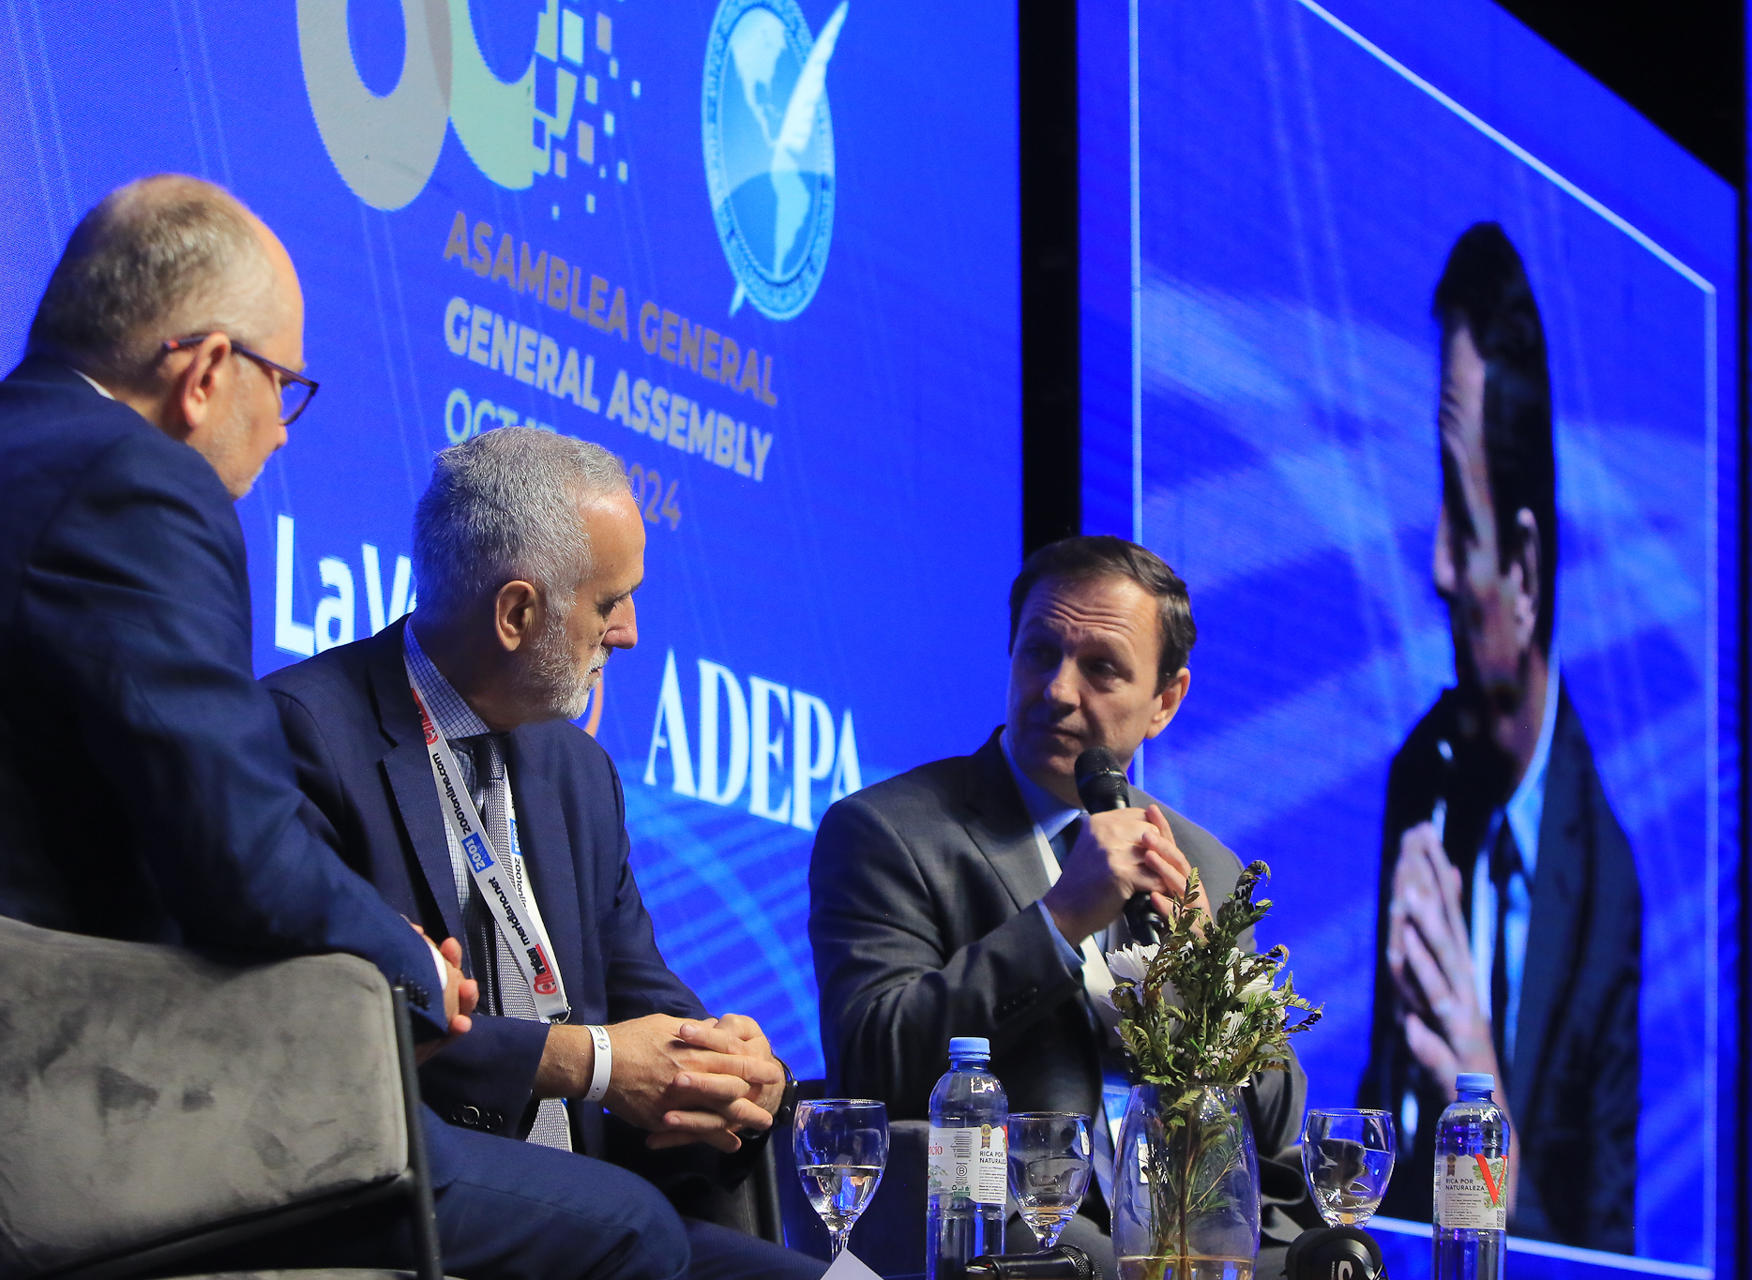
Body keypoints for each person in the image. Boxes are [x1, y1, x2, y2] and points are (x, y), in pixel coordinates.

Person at [0, 176, 702, 1280]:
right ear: (204, 372)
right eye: (282, 388)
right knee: (633, 1232)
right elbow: (239, 858)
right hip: (52, 1113)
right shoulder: (131, 483)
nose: (281, 436)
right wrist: (417, 971)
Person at [263, 426, 824, 1280]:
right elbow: (349, 1027)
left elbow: (642, 994)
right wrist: (593, 1064)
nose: (630, 633)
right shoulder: (308, 734)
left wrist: (740, 1069)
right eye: (610, 604)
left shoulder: (579, 770)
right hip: (428, 1211)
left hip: (609, 1211)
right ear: (517, 613)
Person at [808, 535, 1308, 1275]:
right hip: (1013, 1238)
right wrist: (1059, 918)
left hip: (1199, 1241)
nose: (1058, 691)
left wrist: (1215, 990)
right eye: (1040, 653)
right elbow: (870, 1068)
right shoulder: (890, 831)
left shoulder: (1204, 863)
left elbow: (1274, 1125)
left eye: (1101, 668)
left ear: (1166, 700)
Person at [1357, 222, 1639, 1249]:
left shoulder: (1605, 884)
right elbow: (1378, 1113)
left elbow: (1605, 1248)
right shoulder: (1420, 776)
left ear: (1522, 571)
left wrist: (1473, 1072)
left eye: (1458, 519)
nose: (1435, 565)